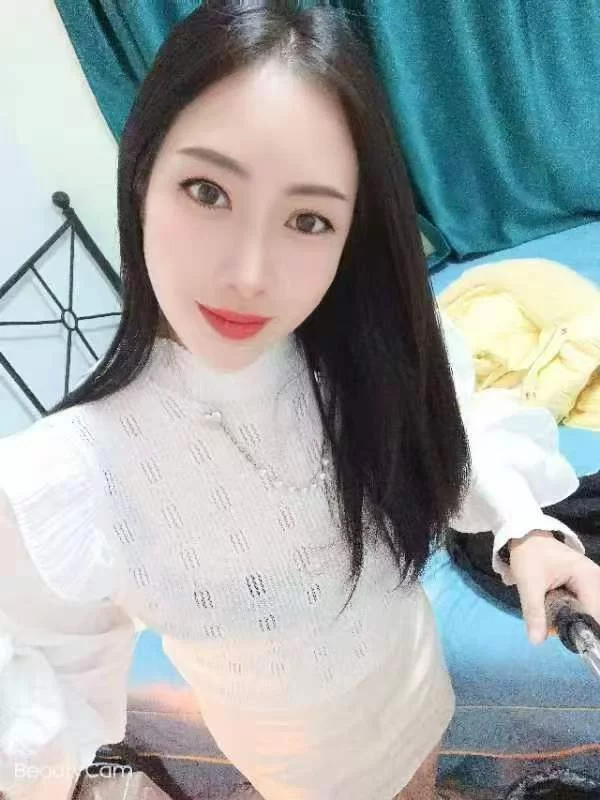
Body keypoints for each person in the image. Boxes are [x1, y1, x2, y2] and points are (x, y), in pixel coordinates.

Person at [1, 3, 598, 799]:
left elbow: (450, 442)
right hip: (302, 769)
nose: (249, 274)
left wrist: (524, 530)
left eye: (308, 219)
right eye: (208, 190)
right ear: (142, 175)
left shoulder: (366, 355)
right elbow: (49, 696)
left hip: (417, 694)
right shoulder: (63, 481)